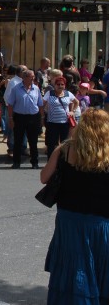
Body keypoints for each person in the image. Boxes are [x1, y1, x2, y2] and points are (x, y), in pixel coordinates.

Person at [41, 109, 109, 304]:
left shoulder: (64, 149)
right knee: (99, 268)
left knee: (74, 269)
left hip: (69, 219)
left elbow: (43, 177)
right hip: (101, 222)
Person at [6, 69, 44, 169]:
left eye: (33, 77)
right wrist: (10, 118)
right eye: (31, 77)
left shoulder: (36, 89)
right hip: (19, 117)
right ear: (25, 77)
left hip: (33, 117)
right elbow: (10, 104)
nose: (33, 78)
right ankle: (16, 162)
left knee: (33, 141)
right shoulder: (16, 89)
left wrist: (41, 117)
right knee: (18, 140)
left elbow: (40, 104)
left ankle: (34, 162)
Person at [43, 76, 78, 159]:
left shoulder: (68, 94)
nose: (60, 86)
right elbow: (42, 104)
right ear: (55, 85)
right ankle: (50, 161)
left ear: (64, 85)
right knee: (51, 144)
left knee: (64, 144)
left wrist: (72, 111)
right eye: (58, 84)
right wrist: (43, 114)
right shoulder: (49, 93)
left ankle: (63, 161)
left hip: (64, 123)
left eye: (62, 84)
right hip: (52, 123)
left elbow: (76, 102)